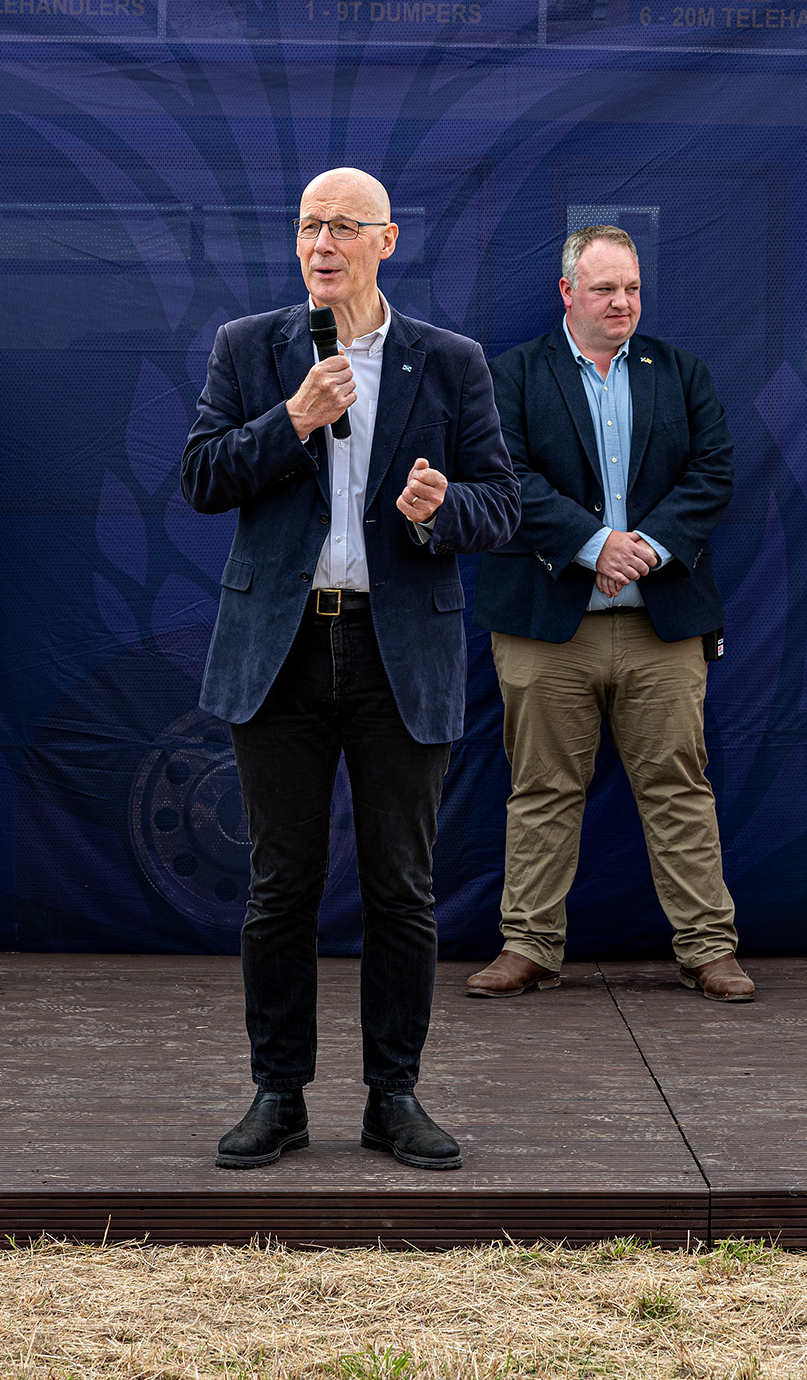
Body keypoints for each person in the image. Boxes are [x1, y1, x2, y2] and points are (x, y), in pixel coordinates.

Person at [182, 167, 520, 1171]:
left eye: (340, 227)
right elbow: (202, 476)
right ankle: (278, 1091)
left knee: (402, 887)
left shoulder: (448, 363)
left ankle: (394, 1092)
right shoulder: (252, 348)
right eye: (306, 226)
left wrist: (438, 510)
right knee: (280, 883)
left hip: (395, 647)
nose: (319, 243)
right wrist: (288, 420)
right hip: (279, 652)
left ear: (387, 240)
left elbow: (500, 504)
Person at [467, 225, 748, 1004]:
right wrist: (594, 544)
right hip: (546, 624)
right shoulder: (513, 376)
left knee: (678, 785)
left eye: (630, 288)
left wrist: (649, 547)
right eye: (603, 289)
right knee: (542, 788)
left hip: (662, 625)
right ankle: (528, 945)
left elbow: (714, 471)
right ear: (567, 293)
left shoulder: (680, 372)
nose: (621, 302)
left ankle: (707, 948)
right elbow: (502, 477)